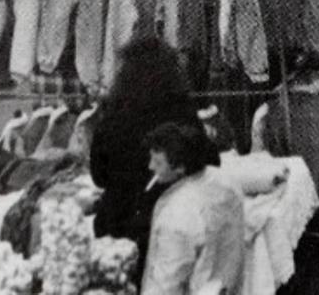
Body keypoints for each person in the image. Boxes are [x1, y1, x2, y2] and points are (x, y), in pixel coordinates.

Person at [91, 39, 212, 278]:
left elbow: (99, 176)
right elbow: (204, 162)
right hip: (171, 225)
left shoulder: (111, 113)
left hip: (117, 226)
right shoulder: (182, 110)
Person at [141, 121, 246, 295]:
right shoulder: (226, 183)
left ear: (181, 166)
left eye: (158, 162)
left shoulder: (177, 214)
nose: (150, 166)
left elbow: (167, 284)